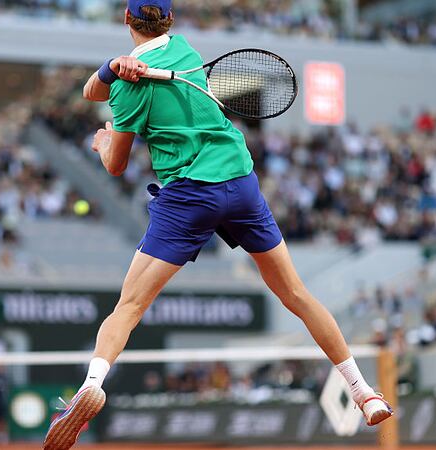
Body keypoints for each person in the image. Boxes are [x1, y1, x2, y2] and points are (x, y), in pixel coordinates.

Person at [43, 2, 393, 449]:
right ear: (169, 22)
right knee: (296, 294)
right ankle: (363, 393)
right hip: (240, 182)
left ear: (126, 20)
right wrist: (113, 67)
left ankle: (92, 383)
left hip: (189, 194)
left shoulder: (129, 91)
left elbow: (114, 162)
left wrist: (103, 139)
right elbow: (96, 87)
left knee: (128, 307)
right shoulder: (186, 52)